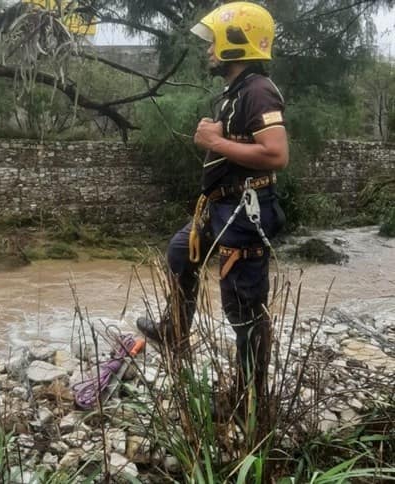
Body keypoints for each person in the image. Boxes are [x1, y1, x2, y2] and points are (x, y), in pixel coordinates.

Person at [137, 2, 288, 408]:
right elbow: (248, 143)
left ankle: (249, 398)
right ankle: (176, 330)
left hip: (245, 210)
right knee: (179, 252)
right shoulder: (237, 91)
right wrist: (223, 137)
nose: (208, 51)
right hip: (221, 207)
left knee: (242, 306)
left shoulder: (258, 90)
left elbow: (276, 154)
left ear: (236, 42)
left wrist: (214, 142)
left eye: (214, 43)